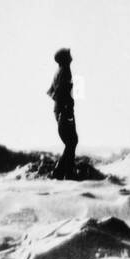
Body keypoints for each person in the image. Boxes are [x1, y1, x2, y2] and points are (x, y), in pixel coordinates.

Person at [47, 48, 79, 180]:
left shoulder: (60, 71)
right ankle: (61, 172)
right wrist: (67, 110)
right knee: (72, 142)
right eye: (68, 55)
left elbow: (52, 92)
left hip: (61, 110)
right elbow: (62, 93)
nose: (71, 57)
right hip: (64, 110)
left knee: (71, 142)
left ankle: (66, 171)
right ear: (65, 59)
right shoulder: (65, 71)